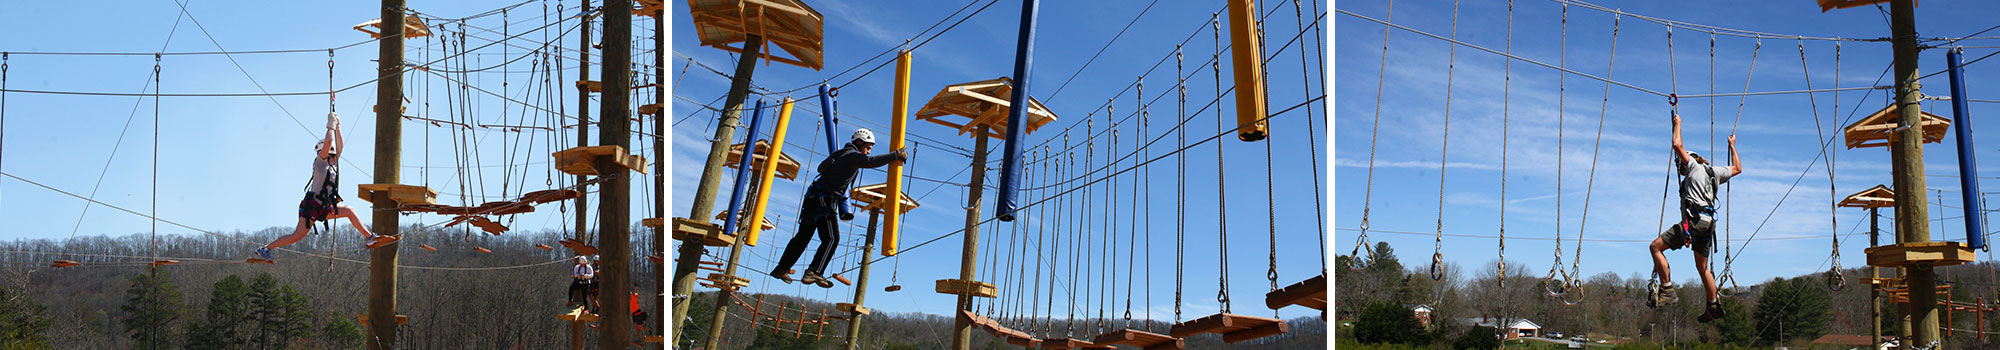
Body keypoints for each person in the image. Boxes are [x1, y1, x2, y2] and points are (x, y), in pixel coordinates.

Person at [772, 129, 905, 288]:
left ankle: (781, 269)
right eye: (868, 147)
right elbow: (870, 162)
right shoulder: (851, 155)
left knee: (802, 237)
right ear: (859, 142)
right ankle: (814, 271)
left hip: (813, 199)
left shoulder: (840, 154)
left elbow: (822, 169)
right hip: (823, 199)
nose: (869, 151)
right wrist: (895, 155)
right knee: (832, 238)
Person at [255, 113, 392, 261]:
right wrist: (330, 126)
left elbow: (340, 145)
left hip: (323, 206)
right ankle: (265, 248)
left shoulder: (333, 164)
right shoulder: (320, 163)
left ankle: (370, 237)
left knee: (350, 211)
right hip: (312, 205)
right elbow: (329, 142)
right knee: (297, 235)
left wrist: (338, 127)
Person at [1648, 111, 1742, 323]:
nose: (1680, 169)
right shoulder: (1713, 172)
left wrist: (1677, 124)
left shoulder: (1692, 167)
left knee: (1655, 247)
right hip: (1708, 225)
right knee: (1702, 267)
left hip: (1695, 222)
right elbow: (1737, 168)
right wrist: (1732, 146)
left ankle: (1667, 290)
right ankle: (1713, 304)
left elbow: (1676, 145)